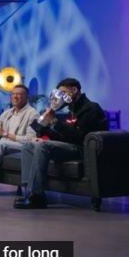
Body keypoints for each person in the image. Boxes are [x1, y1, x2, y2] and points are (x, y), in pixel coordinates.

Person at [15, 78, 108, 209]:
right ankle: (28, 191)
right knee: (29, 145)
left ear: (74, 90)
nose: (59, 97)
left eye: (63, 92)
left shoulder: (91, 108)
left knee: (42, 146)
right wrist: (45, 128)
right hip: (72, 146)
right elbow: (65, 138)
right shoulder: (71, 110)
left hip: (84, 150)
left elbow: (80, 137)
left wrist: (56, 122)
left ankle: (37, 196)